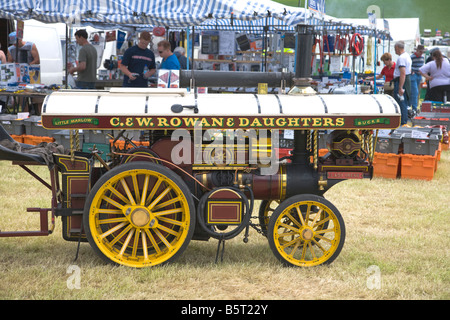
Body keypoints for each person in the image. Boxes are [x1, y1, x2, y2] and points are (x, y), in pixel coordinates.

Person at [393, 41, 412, 125]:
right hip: (406, 81)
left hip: (401, 81)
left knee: (401, 103)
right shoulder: (407, 56)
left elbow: (403, 73)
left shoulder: (401, 58)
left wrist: (400, 87)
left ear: (398, 48)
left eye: (395, 49)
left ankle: (403, 122)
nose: (395, 51)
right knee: (404, 102)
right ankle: (404, 121)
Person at [410, 45, 426, 112]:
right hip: (414, 75)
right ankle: (414, 108)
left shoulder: (422, 57)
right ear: (417, 51)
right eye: (420, 52)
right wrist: (412, 70)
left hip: (419, 75)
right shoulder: (412, 57)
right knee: (415, 92)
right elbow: (408, 66)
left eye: (422, 52)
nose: (421, 53)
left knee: (417, 92)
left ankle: (414, 106)